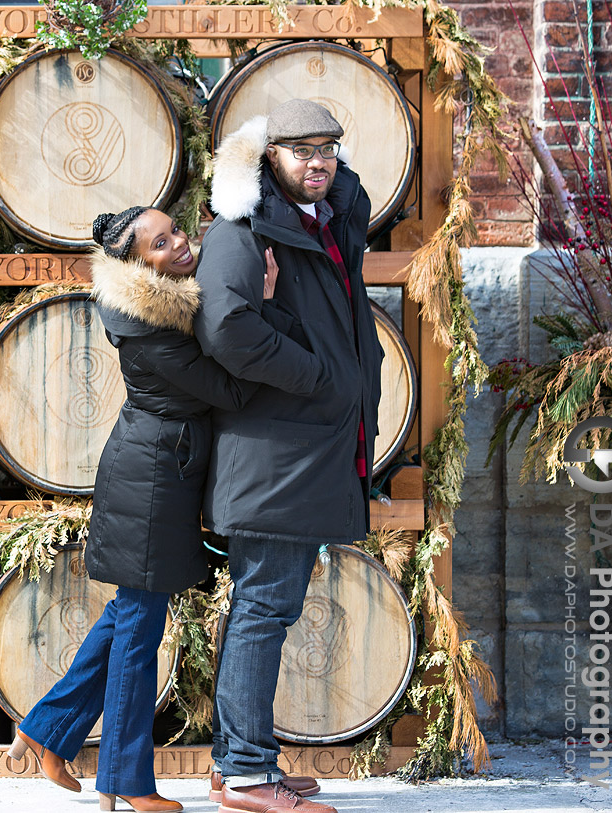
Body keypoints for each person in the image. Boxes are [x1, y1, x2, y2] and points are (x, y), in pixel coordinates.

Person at [7, 206, 308, 813]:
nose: (181, 245)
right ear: (136, 264)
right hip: (149, 480)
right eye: (161, 243)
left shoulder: (164, 305)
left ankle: (46, 729)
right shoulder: (147, 324)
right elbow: (230, 388)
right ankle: (126, 780)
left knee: (129, 615)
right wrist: (265, 315)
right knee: (141, 632)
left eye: (177, 233)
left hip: (162, 467)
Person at [193, 99, 383, 813]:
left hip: (305, 451)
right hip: (275, 453)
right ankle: (245, 774)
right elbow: (226, 328)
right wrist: (319, 377)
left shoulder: (323, 224)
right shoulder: (244, 231)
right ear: (269, 157)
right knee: (264, 608)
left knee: (268, 607)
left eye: (328, 149)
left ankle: (233, 765)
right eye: (301, 150)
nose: (319, 162)